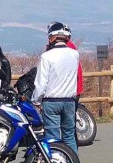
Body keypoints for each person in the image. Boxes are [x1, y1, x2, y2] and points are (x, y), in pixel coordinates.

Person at [32, 22, 81, 152]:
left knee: (52, 137)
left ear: (51, 37)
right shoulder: (75, 54)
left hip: (51, 101)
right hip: (69, 100)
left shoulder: (46, 56)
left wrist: (36, 101)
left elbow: (41, 83)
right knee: (69, 135)